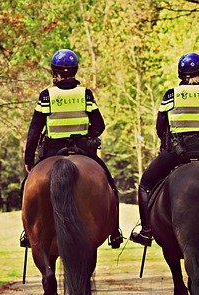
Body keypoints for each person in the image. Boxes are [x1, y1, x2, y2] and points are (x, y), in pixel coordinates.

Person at [130, 52, 199, 246]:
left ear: (180, 74)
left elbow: (160, 127)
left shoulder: (171, 95)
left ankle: (146, 231)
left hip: (178, 153)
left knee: (145, 185)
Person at [20, 48, 124, 249]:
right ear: (75, 70)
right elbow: (99, 125)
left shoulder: (46, 96)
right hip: (83, 150)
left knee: (25, 188)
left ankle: (28, 232)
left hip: (52, 150)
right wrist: (89, 136)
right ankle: (114, 231)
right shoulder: (85, 94)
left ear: (54, 71)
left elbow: (34, 131)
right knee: (110, 185)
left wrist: (28, 160)